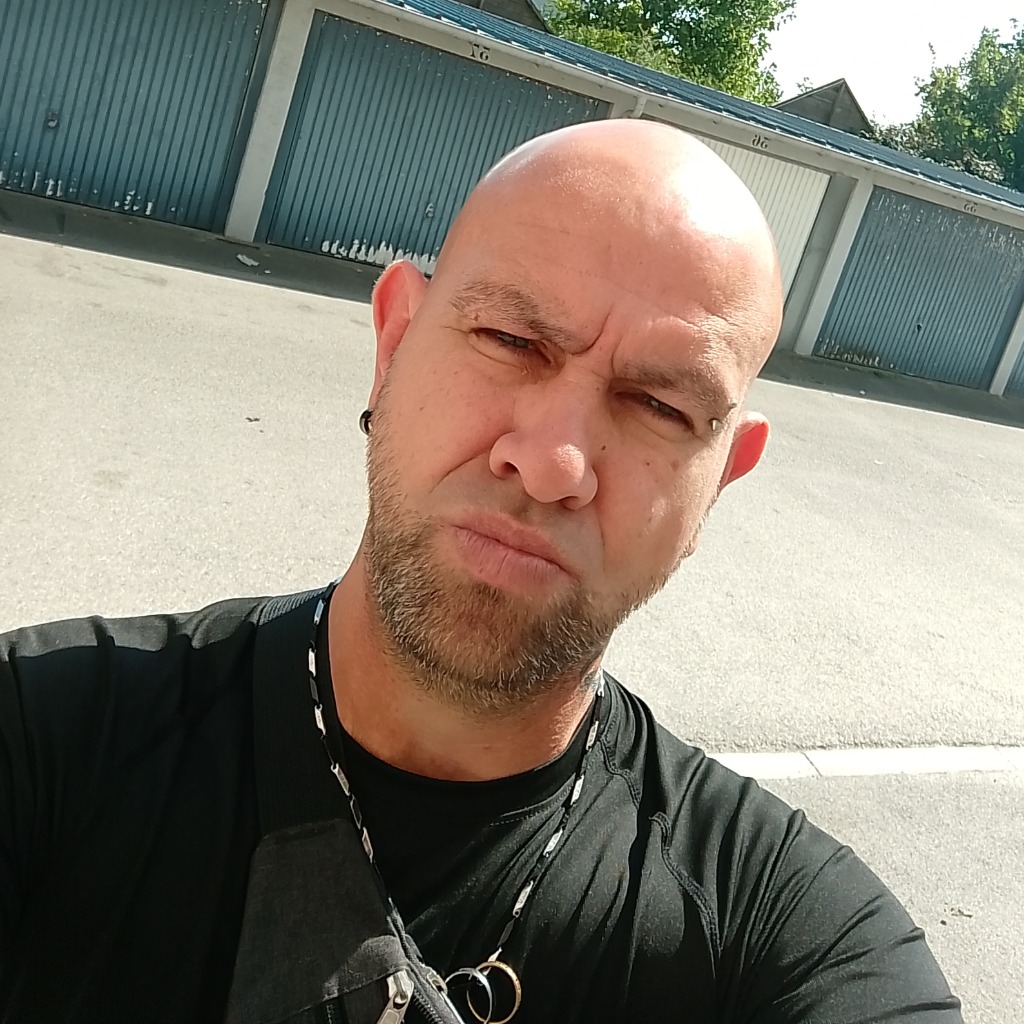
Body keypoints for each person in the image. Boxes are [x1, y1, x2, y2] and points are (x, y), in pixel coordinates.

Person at [0, 121, 961, 1023]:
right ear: (392, 347)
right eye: (511, 341)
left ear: (719, 484)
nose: (552, 463)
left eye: (661, 407)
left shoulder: (788, 935)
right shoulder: (44, 733)